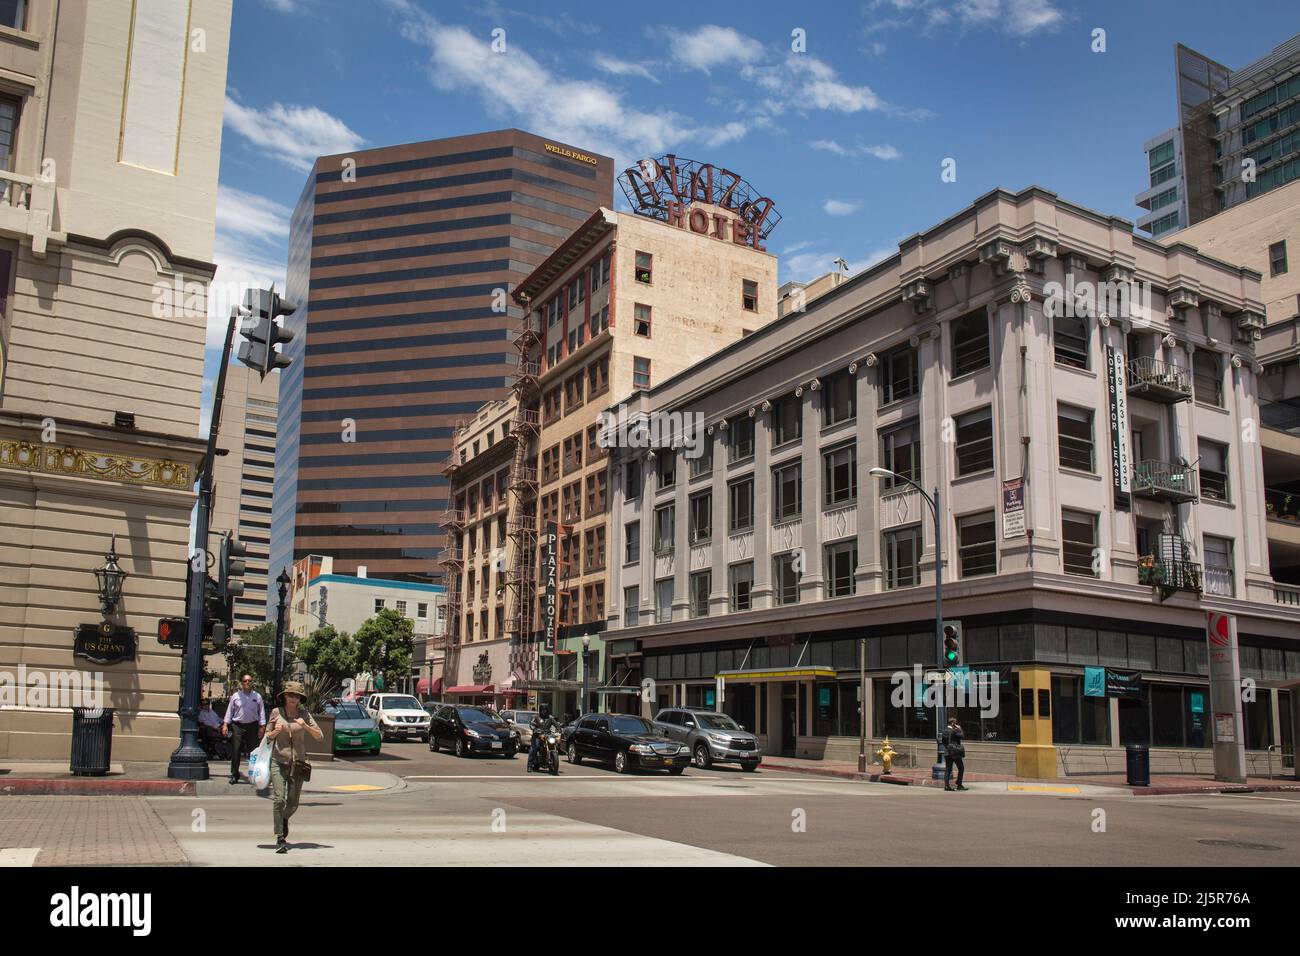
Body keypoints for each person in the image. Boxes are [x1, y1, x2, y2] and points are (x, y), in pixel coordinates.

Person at [266, 681, 323, 853]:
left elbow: (320, 736)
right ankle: (280, 836)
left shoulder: (304, 714)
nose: (293, 698)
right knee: (278, 799)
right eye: (291, 695)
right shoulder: (276, 713)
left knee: (293, 803)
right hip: (278, 761)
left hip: (298, 764)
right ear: (284, 696)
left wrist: (304, 725)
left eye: (297, 696)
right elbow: (267, 737)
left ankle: (284, 819)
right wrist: (275, 731)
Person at [223, 675, 265, 784]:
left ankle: (254, 775)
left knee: (254, 752)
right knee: (236, 750)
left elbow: (261, 712)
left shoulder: (257, 696)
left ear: (252, 682)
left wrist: (262, 726)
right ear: (242, 683)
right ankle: (234, 774)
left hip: (252, 726)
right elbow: (229, 711)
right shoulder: (235, 696)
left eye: (249, 681)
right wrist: (225, 724)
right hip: (238, 726)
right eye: (245, 681)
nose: (247, 682)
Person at [527, 703, 560, 772]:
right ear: (540, 710)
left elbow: (557, 725)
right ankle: (529, 766)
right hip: (537, 736)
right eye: (542, 710)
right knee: (534, 748)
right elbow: (532, 725)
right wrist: (536, 730)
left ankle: (551, 762)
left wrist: (559, 729)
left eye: (545, 710)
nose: (544, 711)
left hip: (547, 735)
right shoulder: (536, 717)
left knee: (553, 744)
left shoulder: (550, 718)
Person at [942, 716, 968, 791]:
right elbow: (963, 736)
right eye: (955, 723)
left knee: (948, 769)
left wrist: (947, 747)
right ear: (953, 723)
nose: (956, 724)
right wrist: (959, 728)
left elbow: (943, 742)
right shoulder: (955, 731)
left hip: (947, 752)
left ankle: (947, 786)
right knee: (961, 768)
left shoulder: (944, 731)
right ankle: (959, 784)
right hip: (955, 753)